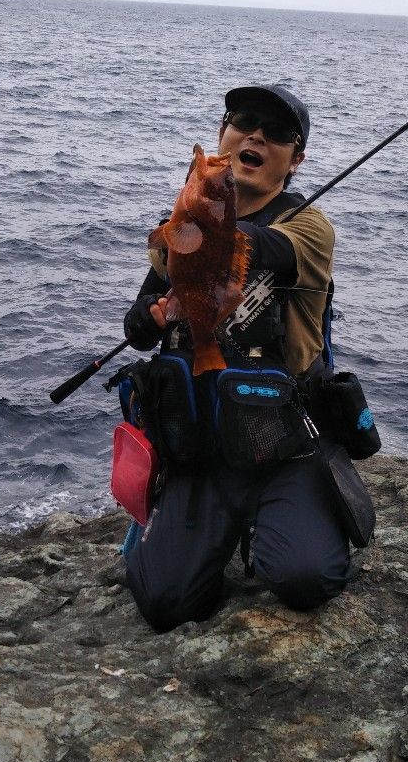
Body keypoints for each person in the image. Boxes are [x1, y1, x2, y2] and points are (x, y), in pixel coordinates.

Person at [122, 83, 351, 631]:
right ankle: (198, 527)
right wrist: (152, 313)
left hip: (283, 451)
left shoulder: (309, 228)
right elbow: (136, 330)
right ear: (223, 133)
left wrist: (205, 220)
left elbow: (263, 246)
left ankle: (301, 512)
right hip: (202, 450)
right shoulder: (182, 230)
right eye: (244, 121)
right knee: (164, 604)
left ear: (295, 160)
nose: (256, 135)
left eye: (277, 134)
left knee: (304, 578)